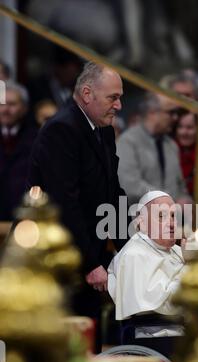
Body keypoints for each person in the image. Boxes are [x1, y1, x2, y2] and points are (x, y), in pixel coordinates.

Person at [28, 62, 128, 319]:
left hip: (88, 255)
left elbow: (112, 194)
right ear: (87, 94)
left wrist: (129, 249)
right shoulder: (61, 129)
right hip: (61, 262)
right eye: (113, 98)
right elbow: (64, 204)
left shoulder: (103, 130)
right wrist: (91, 263)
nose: (118, 106)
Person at [108, 190, 185, 356]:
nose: (171, 223)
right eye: (161, 216)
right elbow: (166, 305)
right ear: (142, 223)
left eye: (173, 216)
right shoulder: (134, 254)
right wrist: (191, 268)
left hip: (176, 329)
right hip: (155, 335)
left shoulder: (178, 250)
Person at [117, 92, 189, 206]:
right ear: (152, 112)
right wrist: (167, 198)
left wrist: (184, 199)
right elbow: (130, 186)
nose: (175, 118)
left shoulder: (171, 144)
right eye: (171, 112)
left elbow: (179, 185)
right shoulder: (128, 141)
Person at [0, 82, 38, 220]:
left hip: (25, 216)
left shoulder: (37, 138)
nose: (5, 110)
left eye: (12, 104)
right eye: (2, 104)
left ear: (24, 108)